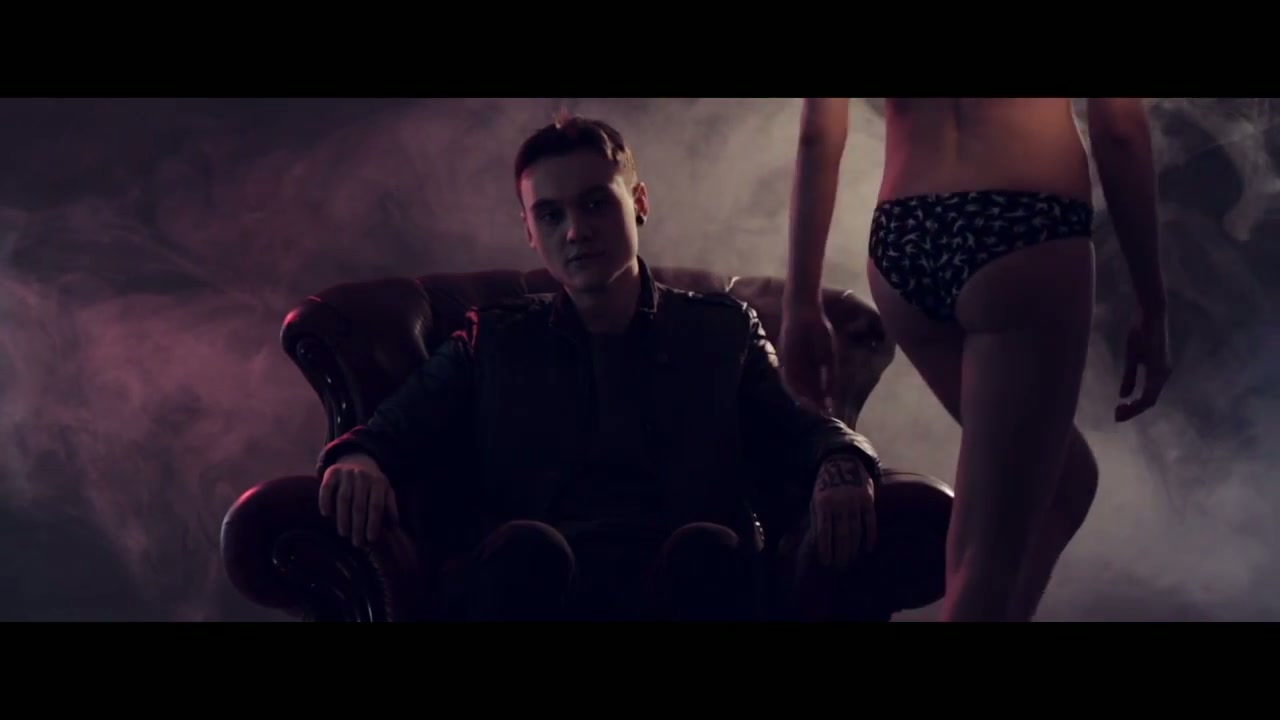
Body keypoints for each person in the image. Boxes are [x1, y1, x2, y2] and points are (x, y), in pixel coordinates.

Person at [311, 113, 911, 621]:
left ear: (639, 202)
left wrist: (841, 462)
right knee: (525, 551)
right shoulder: (492, 339)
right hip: (539, 585)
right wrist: (357, 459)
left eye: (596, 203)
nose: (576, 232)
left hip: (690, 580)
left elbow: (800, 427)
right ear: (529, 230)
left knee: (709, 551)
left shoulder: (721, 331)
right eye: (550, 215)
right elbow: (391, 430)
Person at [779, 98, 1172, 622]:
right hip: (1022, 225)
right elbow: (1119, 129)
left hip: (902, 235)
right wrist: (1153, 304)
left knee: (1065, 481)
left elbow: (817, 132)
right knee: (983, 561)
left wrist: (801, 302)